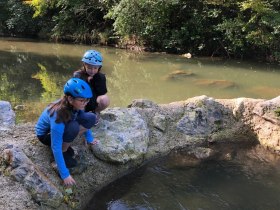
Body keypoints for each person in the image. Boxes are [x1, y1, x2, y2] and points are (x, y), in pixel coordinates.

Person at [35, 78, 97, 186]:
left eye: (87, 100)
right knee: (73, 128)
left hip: (63, 124)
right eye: (82, 100)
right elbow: (55, 146)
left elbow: (83, 118)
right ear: (70, 98)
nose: (85, 103)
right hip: (45, 135)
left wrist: (90, 138)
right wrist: (65, 174)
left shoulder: (75, 105)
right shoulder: (58, 116)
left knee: (91, 117)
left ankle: (66, 146)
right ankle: (63, 154)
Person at [73, 50, 110, 123]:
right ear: (84, 65)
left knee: (105, 99)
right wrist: (86, 82)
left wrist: (96, 81)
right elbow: (75, 93)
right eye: (89, 68)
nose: (92, 71)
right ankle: (80, 115)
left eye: (95, 68)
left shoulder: (101, 77)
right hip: (80, 102)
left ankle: (95, 112)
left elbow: (101, 94)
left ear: (99, 67)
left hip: (92, 102)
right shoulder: (78, 75)